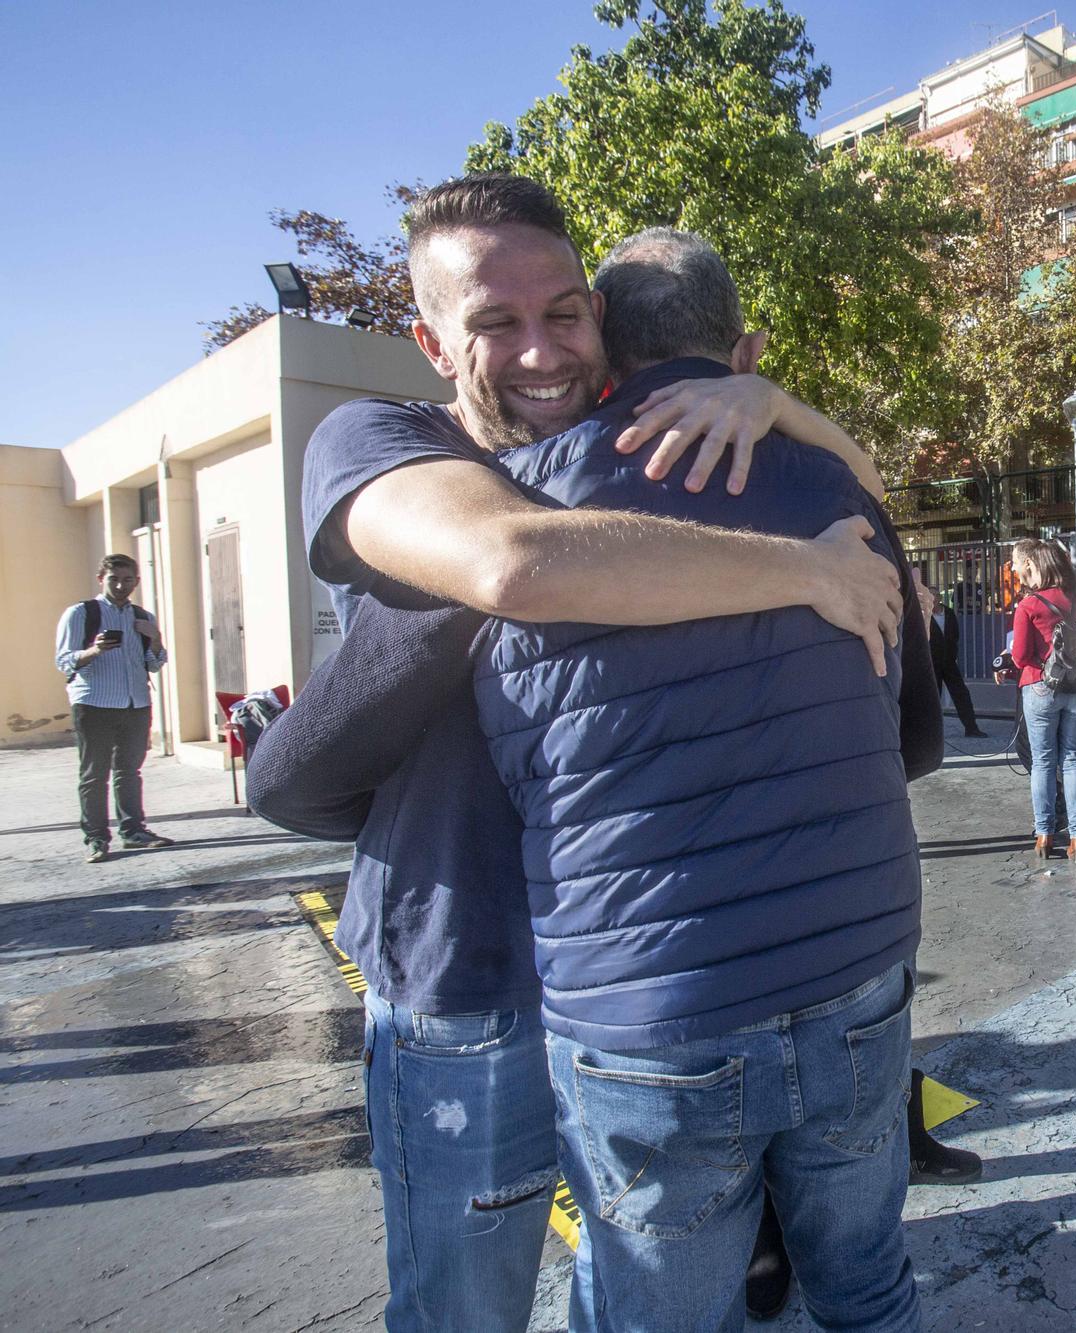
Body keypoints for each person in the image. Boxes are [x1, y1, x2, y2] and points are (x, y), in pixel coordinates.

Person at [248, 175, 902, 1333]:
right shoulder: (379, 440)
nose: (543, 351)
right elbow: (512, 559)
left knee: (645, 1287)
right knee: (469, 1305)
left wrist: (783, 404)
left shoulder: (641, 452)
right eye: (495, 323)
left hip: (625, 982)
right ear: (431, 341)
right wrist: (810, 567)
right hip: (471, 971)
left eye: (565, 312)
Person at [468, 227, 923, 1331]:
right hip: (853, 960)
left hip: (648, 1005)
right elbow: (900, 703)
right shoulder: (839, 490)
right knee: (864, 1282)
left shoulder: (516, 508)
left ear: (601, 354)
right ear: (748, 348)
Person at [53, 553, 173, 863]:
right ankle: (96, 838)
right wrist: (95, 650)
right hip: (94, 703)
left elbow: (154, 664)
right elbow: (63, 660)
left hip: (135, 703)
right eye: (114, 579)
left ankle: (133, 831)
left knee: (129, 771)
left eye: (128, 580)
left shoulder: (143, 616)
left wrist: (156, 640)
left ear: (137, 581)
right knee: (94, 774)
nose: (121, 585)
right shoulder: (81, 613)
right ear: (101, 580)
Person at [1010, 538, 1076, 861]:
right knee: (1073, 758)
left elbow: (1019, 657)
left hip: (1040, 686)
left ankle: (1044, 834)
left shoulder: (1029, 605)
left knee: (1043, 763)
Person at [931, 595, 988, 738]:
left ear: (938, 599)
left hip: (949, 661)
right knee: (932, 697)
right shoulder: (924, 615)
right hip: (932, 662)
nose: (932, 600)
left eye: (934, 596)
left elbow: (955, 635)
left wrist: (952, 652)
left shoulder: (948, 613)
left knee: (961, 694)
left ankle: (971, 727)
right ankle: (932, 733)